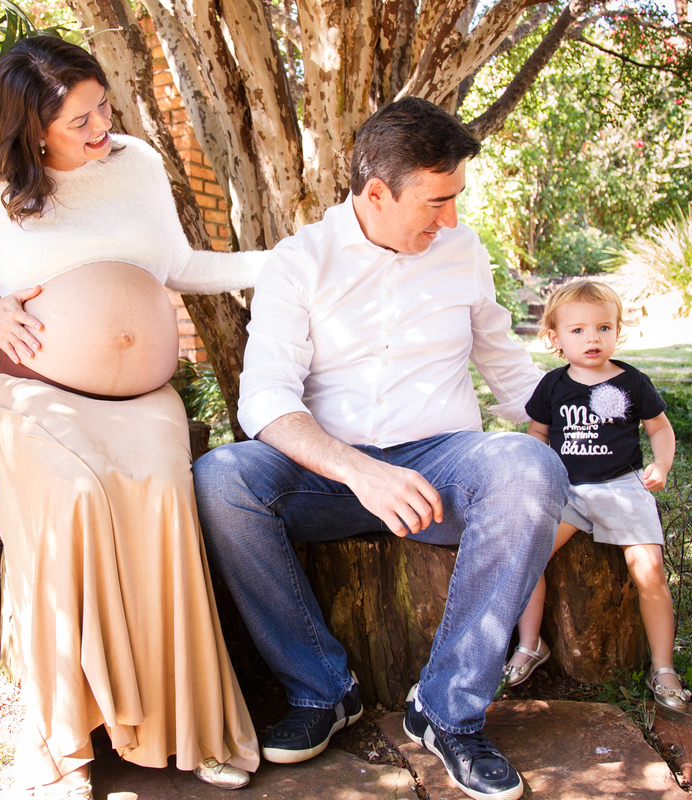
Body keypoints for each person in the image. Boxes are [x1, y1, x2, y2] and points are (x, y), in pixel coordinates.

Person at [0, 35, 261, 800]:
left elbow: (179, 267)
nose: (102, 131)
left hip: (145, 407)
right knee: (74, 511)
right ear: (31, 130)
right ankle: (69, 745)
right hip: (41, 399)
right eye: (80, 123)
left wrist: (276, 263)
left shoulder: (136, 163)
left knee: (165, 514)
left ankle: (187, 728)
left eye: (104, 109)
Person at [193, 97, 568, 800]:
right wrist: (360, 472)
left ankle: (448, 711)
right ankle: (322, 688)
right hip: (327, 473)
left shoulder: (463, 252)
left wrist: (584, 432)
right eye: (437, 201)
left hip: (442, 465)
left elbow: (506, 365)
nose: (451, 218)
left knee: (529, 467)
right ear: (375, 193)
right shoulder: (299, 262)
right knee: (222, 478)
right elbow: (265, 400)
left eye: (456, 199)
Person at [502, 280, 688, 713]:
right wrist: (536, 479)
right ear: (555, 338)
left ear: (618, 331)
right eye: (579, 330)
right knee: (530, 555)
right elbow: (537, 435)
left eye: (604, 327)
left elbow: (660, 428)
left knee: (650, 570)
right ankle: (531, 645)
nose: (593, 338)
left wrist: (660, 465)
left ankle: (663, 667)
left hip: (622, 486)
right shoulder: (552, 386)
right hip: (567, 489)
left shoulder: (631, 382)